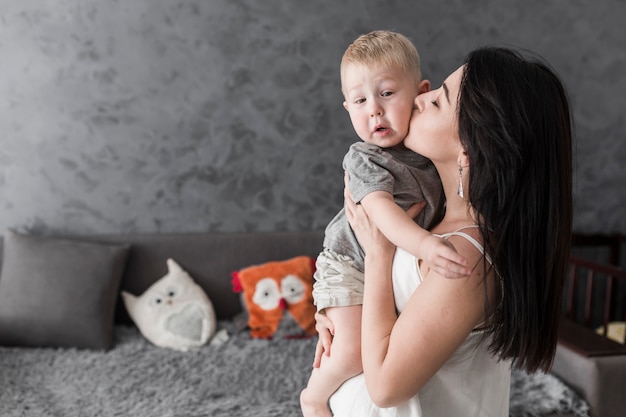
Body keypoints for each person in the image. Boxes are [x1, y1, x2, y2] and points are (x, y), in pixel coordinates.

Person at [320, 46, 573, 416]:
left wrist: (378, 254)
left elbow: (386, 387)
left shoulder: (466, 257)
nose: (421, 99)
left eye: (439, 100)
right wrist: (338, 309)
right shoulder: (432, 217)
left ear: (468, 151)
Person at [300, 31, 470, 417]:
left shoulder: (425, 154)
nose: (374, 110)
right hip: (347, 262)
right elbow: (381, 215)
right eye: (360, 101)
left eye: (387, 93)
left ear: (420, 92)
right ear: (348, 109)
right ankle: (312, 396)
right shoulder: (365, 159)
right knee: (350, 351)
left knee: (357, 342)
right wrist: (425, 245)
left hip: (379, 266)